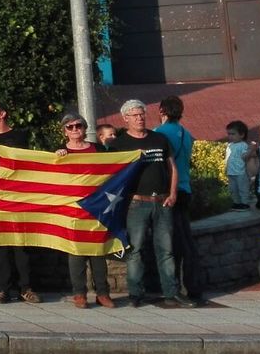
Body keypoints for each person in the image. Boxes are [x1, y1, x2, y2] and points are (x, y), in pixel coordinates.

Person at [109, 99, 194, 308]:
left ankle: (171, 292)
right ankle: (135, 293)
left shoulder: (159, 138)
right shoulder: (119, 144)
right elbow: (110, 174)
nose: (140, 118)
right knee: (136, 250)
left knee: (166, 249)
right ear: (125, 118)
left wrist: (172, 193)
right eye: (135, 115)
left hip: (162, 201)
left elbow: (172, 167)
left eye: (142, 114)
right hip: (136, 204)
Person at [0, 100, 39, 304]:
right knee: (1, 245)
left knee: (21, 244)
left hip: (19, 198)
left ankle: (25, 288)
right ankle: (1, 289)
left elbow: (18, 158)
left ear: (3, 113)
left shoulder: (19, 135)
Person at [54, 113, 114, 309]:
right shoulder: (60, 152)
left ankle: (103, 293)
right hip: (72, 209)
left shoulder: (97, 150)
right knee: (76, 252)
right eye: (69, 127)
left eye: (78, 126)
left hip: (96, 208)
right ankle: (79, 293)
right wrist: (57, 158)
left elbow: (113, 168)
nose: (74, 130)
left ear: (85, 128)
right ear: (64, 131)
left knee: (98, 252)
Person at [155, 95, 204, 305]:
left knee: (174, 243)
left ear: (162, 111)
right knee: (186, 238)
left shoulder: (159, 133)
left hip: (168, 192)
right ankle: (193, 285)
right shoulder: (185, 133)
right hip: (185, 188)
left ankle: (177, 286)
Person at [225, 120, 254, 210]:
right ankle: (236, 202)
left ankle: (244, 203)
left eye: (233, 134)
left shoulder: (243, 145)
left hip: (241, 172)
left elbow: (245, 157)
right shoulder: (230, 145)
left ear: (242, 135)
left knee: (243, 188)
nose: (230, 136)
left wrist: (251, 150)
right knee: (233, 189)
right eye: (229, 134)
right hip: (231, 172)